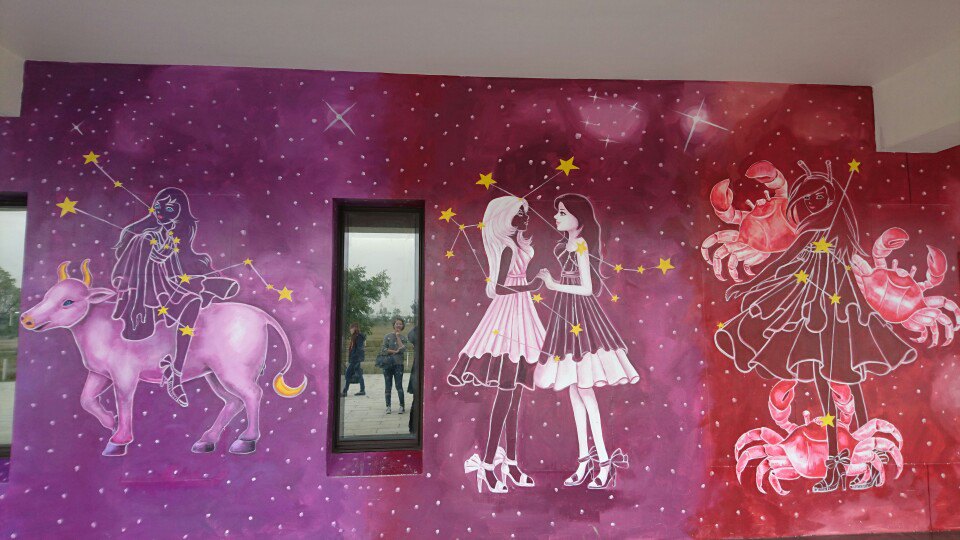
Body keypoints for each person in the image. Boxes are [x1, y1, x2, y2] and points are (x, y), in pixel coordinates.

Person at [717, 160, 917, 492]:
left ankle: (837, 469)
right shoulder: (828, 232)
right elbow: (787, 264)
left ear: (831, 198)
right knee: (847, 377)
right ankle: (853, 466)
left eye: (819, 197)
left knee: (832, 379)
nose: (812, 204)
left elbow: (787, 264)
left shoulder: (828, 232)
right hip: (830, 306)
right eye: (807, 199)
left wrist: (752, 285)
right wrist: (752, 286)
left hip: (827, 309)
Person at [535, 193, 639, 490]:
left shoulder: (580, 244)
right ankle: (584, 462)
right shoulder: (565, 246)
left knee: (585, 390)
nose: (556, 217)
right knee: (575, 390)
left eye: (562, 212)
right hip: (567, 319)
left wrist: (553, 284)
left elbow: (588, 288)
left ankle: (603, 463)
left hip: (580, 319)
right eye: (557, 212)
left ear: (578, 218)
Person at [448, 196, 545, 494]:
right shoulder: (505, 247)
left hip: (522, 315)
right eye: (520, 213)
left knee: (515, 398)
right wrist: (530, 285)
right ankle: (489, 465)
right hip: (507, 318)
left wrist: (529, 285)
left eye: (526, 213)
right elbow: (496, 288)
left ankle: (511, 464)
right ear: (505, 216)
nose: (526, 218)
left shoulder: (516, 245)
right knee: (506, 396)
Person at [111, 187, 239, 407]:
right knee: (193, 296)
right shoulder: (146, 236)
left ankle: (176, 373)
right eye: (159, 207)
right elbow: (132, 268)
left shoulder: (173, 236)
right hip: (148, 290)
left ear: (180, 212)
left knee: (193, 300)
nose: (162, 212)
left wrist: (196, 265)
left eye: (170, 209)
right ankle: (206, 286)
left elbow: (178, 265)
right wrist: (154, 257)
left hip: (170, 286)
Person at [380, 317, 408, 414]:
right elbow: (383, 349)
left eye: (400, 324)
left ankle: (402, 406)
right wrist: (394, 351)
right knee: (388, 386)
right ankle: (388, 406)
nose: (398, 325)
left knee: (399, 386)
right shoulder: (387, 336)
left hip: (398, 365)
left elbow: (403, 349)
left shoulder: (404, 338)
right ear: (394, 325)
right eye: (397, 324)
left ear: (402, 326)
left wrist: (398, 337)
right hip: (387, 365)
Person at [342, 322, 366, 396]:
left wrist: (357, 360)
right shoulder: (354, 336)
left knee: (348, 374)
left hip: (355, 360)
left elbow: (359, 349)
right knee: (359, 374)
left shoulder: (359, 336)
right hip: (354, 359)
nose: (350, 330)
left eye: (351, 328)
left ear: (355, 328)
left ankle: (345, 391)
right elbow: (352, 350)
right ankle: (362, 390)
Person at [406, 324, 419, 433]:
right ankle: (414, 428)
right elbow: (410, 336)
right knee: (417, 399)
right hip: (419, 369)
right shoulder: (418, 330)